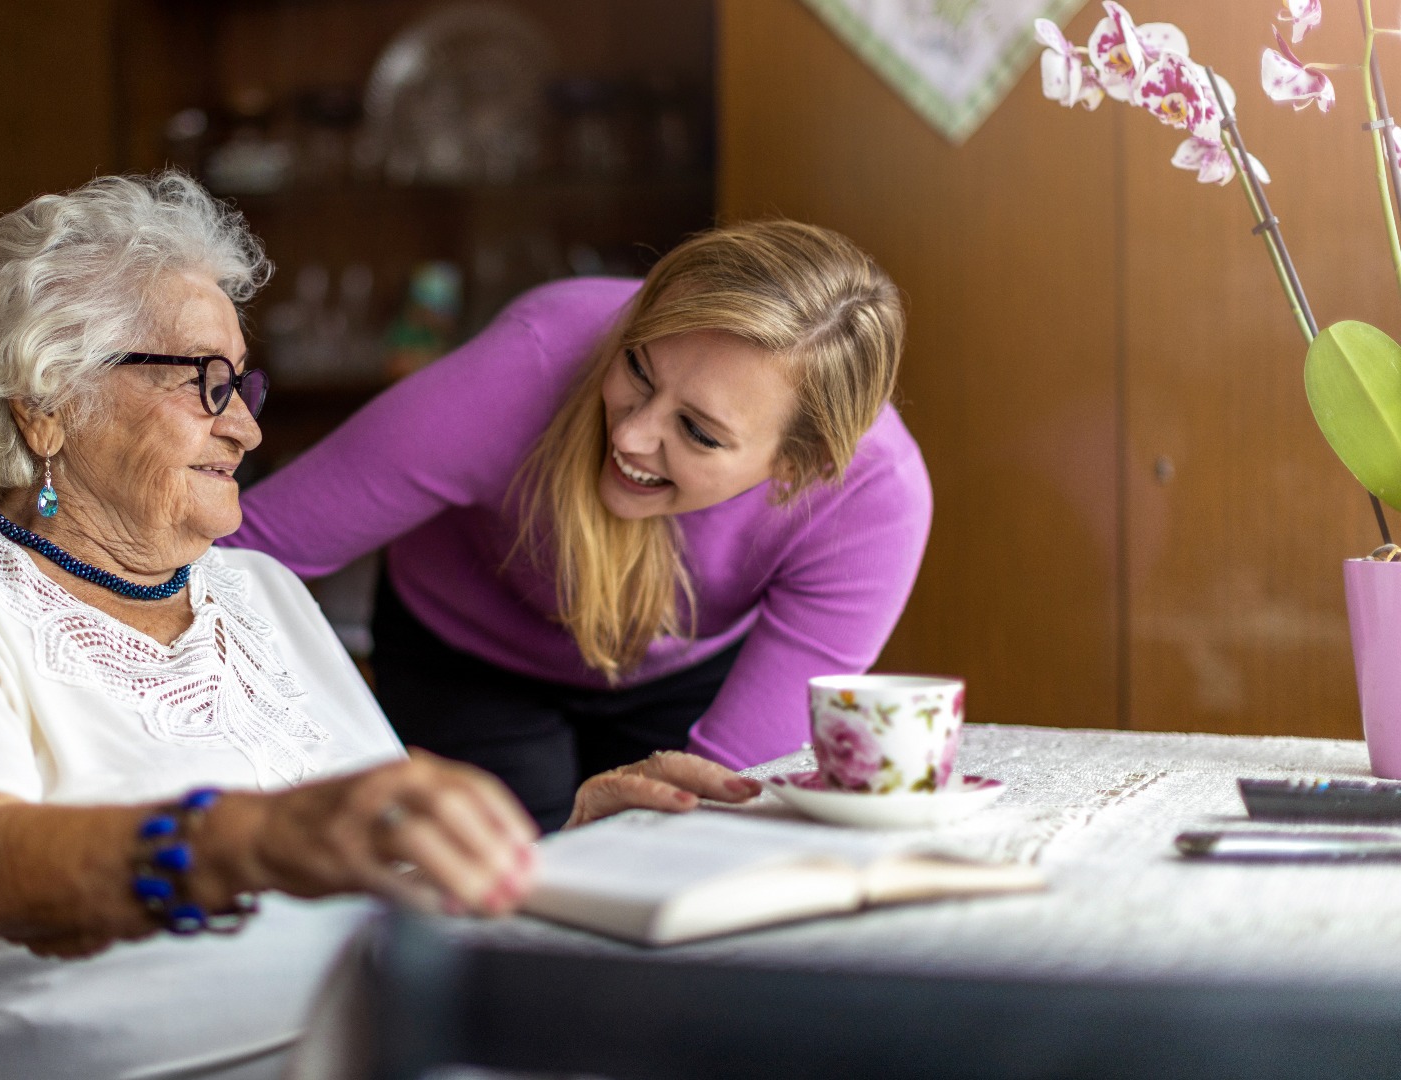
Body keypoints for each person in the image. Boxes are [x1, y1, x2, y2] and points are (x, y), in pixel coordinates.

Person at [0, 173, 759, 1080]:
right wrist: (257, 839)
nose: (248, 431)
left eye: (242, 388)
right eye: (203, 385)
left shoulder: (257, 591)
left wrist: (569, 845)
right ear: (49, 407)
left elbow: (376, 851)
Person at [225, 221, 931, 831]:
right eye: (638, 368)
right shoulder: (530, 362)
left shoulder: (874, 501)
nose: (632, 435)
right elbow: (240, 549)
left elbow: (726, 799)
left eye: (697, 431)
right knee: (493, 899)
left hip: (683, 671)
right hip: (467, 652)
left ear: (798, 466)